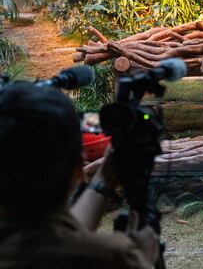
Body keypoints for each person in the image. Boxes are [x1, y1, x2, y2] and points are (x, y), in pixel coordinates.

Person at [0, 82, 159, 268]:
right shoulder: (113, 257)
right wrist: (143, 260)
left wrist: (105, 177)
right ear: (79, 169)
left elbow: (54, 240)